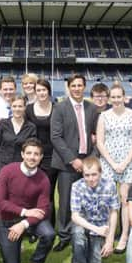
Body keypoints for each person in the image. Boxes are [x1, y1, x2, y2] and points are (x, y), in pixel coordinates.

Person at [0, 138, 55, 263]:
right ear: (22, 154)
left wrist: (24, 223)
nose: (32, 157)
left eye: (36, 154)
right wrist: (24, 212)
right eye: (28, 153)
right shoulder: (8, 171)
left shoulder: (43, 179)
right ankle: (17, 242)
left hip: (30, 220)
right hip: (8, 219)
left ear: (40, 157)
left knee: (49, 234)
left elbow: (43, 209)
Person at [50, 74, 99, 251]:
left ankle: (83, 232)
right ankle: (64, 235)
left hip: (87, 162)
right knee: (65, 201)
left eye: (80, 85)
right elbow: (55, 137)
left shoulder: (92, 108)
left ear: (84, 87)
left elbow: (96, 135)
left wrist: (90, 160)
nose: (77, 88)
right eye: (74, 85)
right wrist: (72, 159)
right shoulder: (60, 108)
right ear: (68, 88)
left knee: (86, 200)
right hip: (66, 163)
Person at [96, 82, 132, 254]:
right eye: (113, 97)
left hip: (128, 163)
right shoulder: (104, 116)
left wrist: (125, 162)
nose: (116, 100)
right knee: (109, 201)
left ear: (124, 97)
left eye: (118, 97)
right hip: (108, 163)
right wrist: (112, 163)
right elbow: (100, 141)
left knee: (125, 201)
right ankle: (108, 236)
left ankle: (124, 236)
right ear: (109, 98)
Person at [69, 157, 119, 263]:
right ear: (82, 174)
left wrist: (110, 240)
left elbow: (113, 213)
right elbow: (75, 216)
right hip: (85, 225)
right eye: (87, 175)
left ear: (101, 172)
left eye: (94, 174)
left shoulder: (110, 185)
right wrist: (96, 229)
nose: (91, 179)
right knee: (78, 235)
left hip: (102, 228)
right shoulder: (76, 186)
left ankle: (88, 248)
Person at [25, 79, 58, 227]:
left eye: (44, 90)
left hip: (51, 157)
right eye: (38, 90)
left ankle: (48, 225)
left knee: (48, 194)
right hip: (33, 157)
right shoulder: (29, 109)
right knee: (32, 194)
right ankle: (33, 226)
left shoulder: (56, 108)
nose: (41, 93)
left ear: (49, 91)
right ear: (35, 92)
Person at [0, 95, 37, 183]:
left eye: (20, 106)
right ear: (11, 107)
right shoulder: (3, 124)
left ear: (24, 108)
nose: (17, 109)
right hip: (2, 167)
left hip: (21, 168)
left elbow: (32, 150)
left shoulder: (31, 127)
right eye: (14, 106)